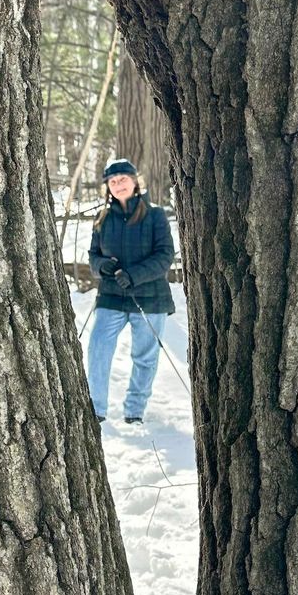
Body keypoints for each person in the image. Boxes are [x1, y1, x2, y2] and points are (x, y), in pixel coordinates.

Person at [87, 158, 175, 424]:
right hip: (111, 296)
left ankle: (134, 410)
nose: (118, 185)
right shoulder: (102, 219)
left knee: (144, 356)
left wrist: (134, 275)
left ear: (135, 181)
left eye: (123, 179)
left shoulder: (155, 215)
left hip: (150, 297)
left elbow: (165, 256)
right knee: (98, 347)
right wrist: (102, 266)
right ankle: (96, 409)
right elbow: (93, 257)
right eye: (112, 182)